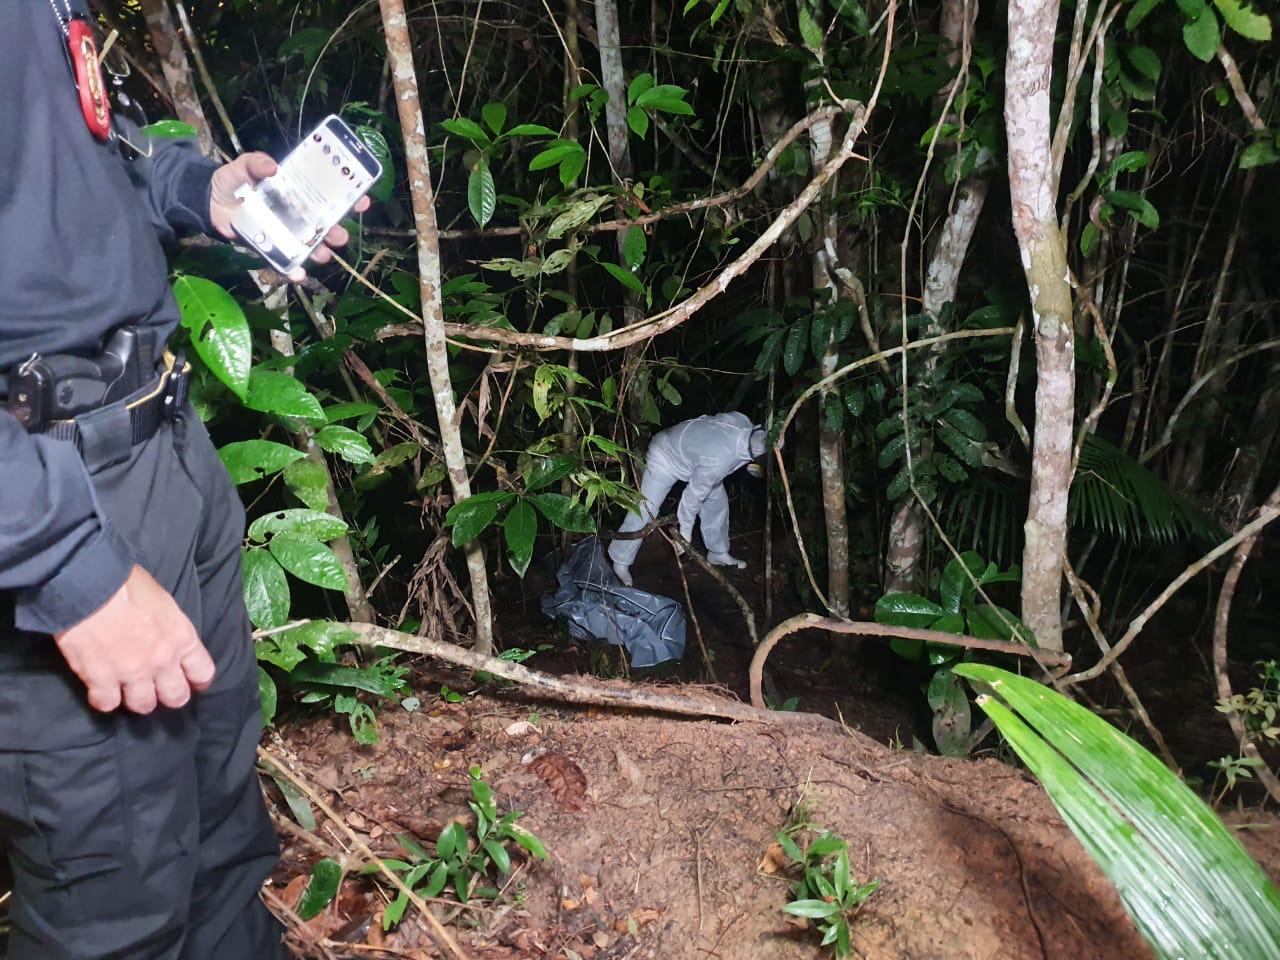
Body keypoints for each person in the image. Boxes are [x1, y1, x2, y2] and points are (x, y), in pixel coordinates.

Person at [0, 2, 366, 957]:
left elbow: (73, 156)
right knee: (114, 904)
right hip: (51, 494)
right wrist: (62, 565)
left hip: (162, 445)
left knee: (220, 833)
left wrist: (197, 189)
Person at [609, 412, 768, 586]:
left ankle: (718, 552)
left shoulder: (743, 420)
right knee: (646, 506)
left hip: (695, 458)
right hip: (665, 456)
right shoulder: (719, 461)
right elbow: (692, 497)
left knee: (716, 503)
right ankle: (620, 560)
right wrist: (685, 531)